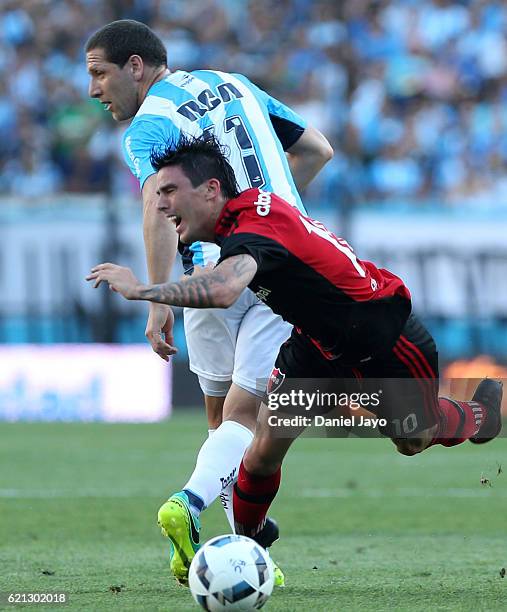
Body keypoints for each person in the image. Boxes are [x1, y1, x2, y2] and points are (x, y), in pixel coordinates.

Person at [86, 134, 503, 545]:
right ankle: (250, 545)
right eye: (159, 193)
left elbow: (226, 290)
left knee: (413, 439)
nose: (160, 205)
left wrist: (143, 290)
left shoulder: (253, 229)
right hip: (316, 347)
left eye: (171, 191)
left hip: (384, 338)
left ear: (211, 190)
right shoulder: (242, 221)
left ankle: (481, 415)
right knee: (264, 447)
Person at [85, 19, 333, 585]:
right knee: (249, 421)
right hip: (272, 265)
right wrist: (274, 207)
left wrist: (158, 302)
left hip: (202, 274)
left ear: (136, 67)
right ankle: (189, 504)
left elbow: (156, 205)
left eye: (99, 74)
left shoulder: (146, 129)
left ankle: (235, 553)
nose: (94, 90)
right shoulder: (238, 84)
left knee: (222, 420)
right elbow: (318, 149)